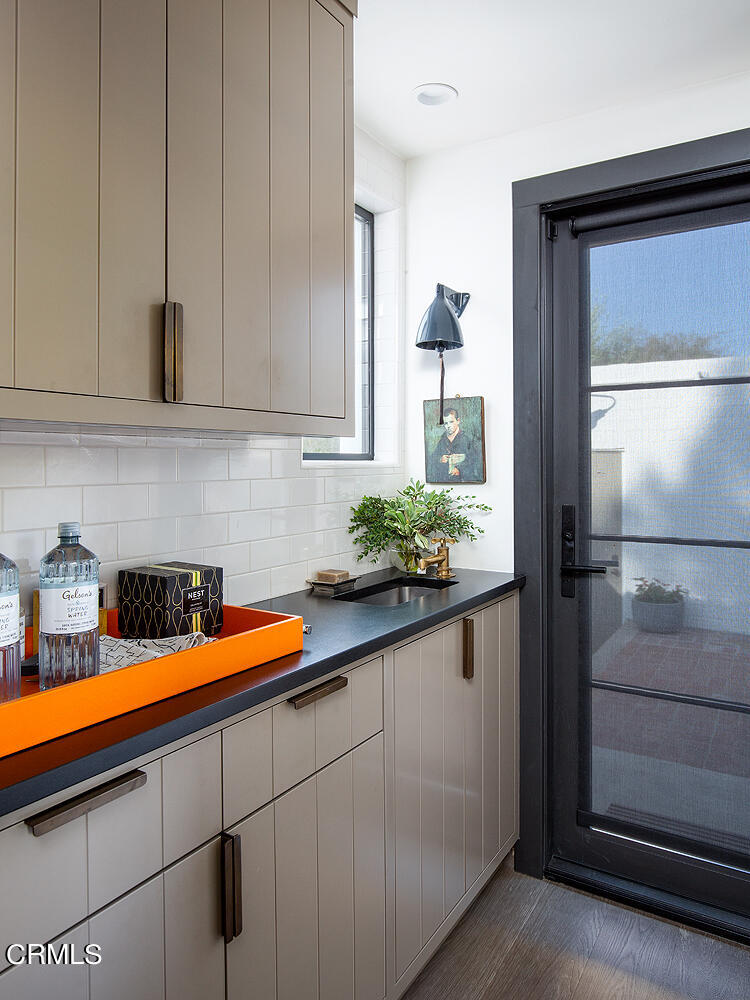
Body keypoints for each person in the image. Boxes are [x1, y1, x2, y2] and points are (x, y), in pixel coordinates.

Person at [428, 407, 478, 482]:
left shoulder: (467, 439)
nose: (448, 426)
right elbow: (432, 458)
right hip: (445, 480)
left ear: (458, 421)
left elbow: (473, 459)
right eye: (446, 423)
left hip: (464, 480)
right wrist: (440, 459)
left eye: (451, 422)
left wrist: (459, 469)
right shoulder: (442, 440)